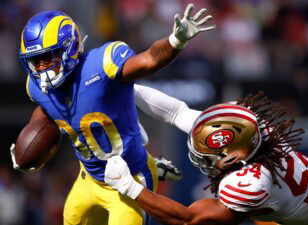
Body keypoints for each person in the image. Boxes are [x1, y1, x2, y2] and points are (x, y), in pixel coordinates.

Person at [11, 4, 215, 225]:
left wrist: (175, 41)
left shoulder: (100, 66)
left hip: (128, 177)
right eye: (35, 61)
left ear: (69, 48)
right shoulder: (36, 88)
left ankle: (151, 165)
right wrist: (27, 149)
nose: (42, 69)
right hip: (88, 178)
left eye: (48, 58)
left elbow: (150, 59)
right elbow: (43, 113)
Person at [104, 87, 308, 225]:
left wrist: (128, 187)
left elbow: (187, 219)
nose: (202, 159)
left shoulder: (252, 183)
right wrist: (123, 88)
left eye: (208, 156)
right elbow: (177, 112)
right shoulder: (251, 131)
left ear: (235, 158)